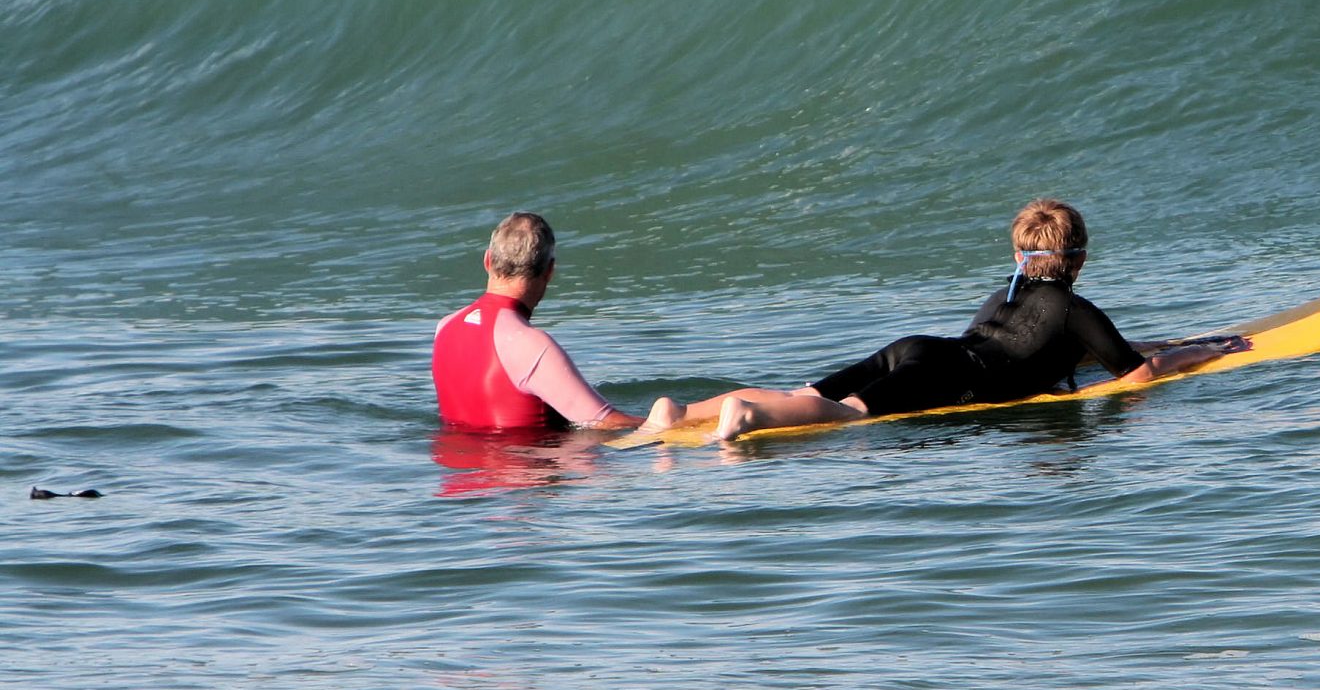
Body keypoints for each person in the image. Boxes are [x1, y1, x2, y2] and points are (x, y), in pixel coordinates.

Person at [651, 199, 1247, 441]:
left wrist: (1175, 340)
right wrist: (1202, 352)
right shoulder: (1073, 308)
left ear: (1021, 257)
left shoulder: (1004, 296)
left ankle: (682, 412)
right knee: (842, 416)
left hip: (919, 348)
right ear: (1081, 261)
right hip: (946, 376)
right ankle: (746, 415)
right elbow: (1135, 376)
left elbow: (1075, 350)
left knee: (806, 393)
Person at [433, 211, 670, 432]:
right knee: (665, 424)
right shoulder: (528, 343)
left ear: (487, 260)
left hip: (453, 473)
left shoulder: (444, 327)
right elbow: (604, 421)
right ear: (549, 271)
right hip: (524, 472)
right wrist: (676, 425)